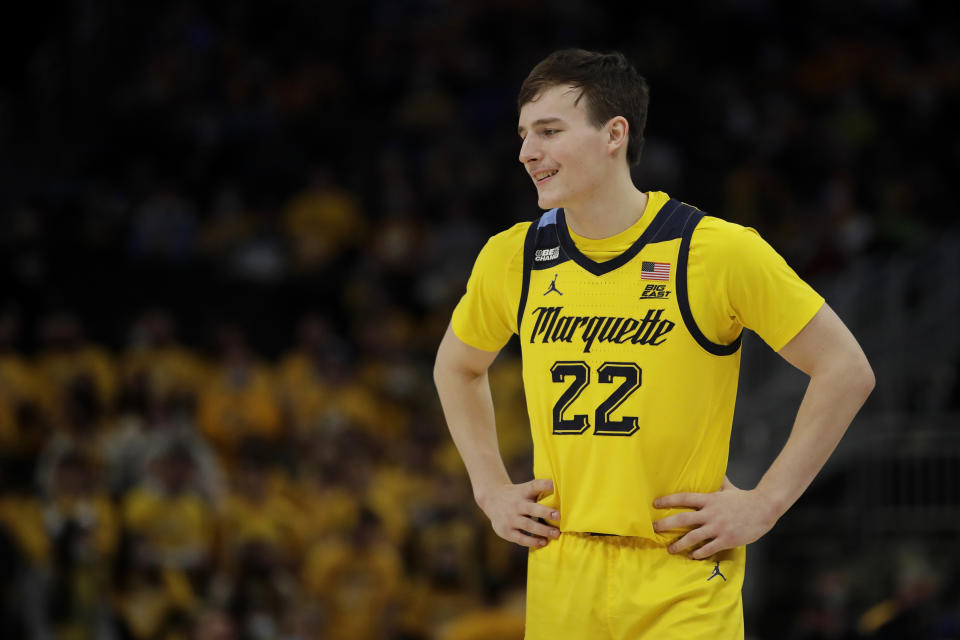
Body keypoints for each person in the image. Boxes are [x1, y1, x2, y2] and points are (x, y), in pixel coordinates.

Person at [433, 48, 875, 639]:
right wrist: (489, 490)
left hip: (681, 572)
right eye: (522, 134)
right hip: (563, 569)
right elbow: (457, 367)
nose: (526, 152)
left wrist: (765, 502)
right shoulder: (513, 256)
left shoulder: (715, 250)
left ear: (614, 134)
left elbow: (845, 368)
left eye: (549, 131)